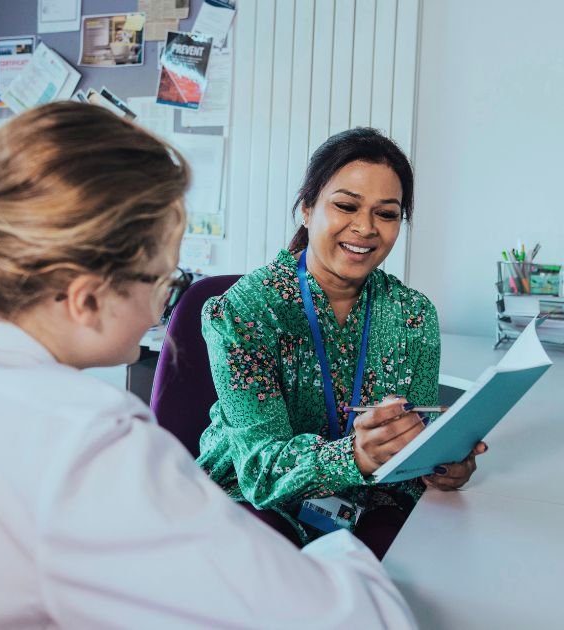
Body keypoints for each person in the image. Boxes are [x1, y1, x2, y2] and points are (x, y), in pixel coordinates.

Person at [0, 104, 415, 629]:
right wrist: (347, 552)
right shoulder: (83, 440)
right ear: (86, 296)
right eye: (167, 274)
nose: (170, 296)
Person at [197, 128, 488, 558]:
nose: (365, 228)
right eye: (346, 206)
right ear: (307, 209)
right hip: (248, 502)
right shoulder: (244, 313)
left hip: (365, 501)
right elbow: (258, 469)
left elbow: (410, 452)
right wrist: (352, 455)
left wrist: (441, 464)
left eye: (386, 214)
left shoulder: (413, 316)